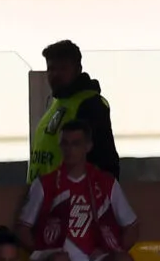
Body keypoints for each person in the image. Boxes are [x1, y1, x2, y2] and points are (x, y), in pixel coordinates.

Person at [17, 122, 137, 261]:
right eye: (65, 144)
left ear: (88, 146)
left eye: (76, 144)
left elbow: (132, 226)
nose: (69, 149)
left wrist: (114, 249)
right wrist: (42, 252)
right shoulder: (44, 184)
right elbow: (22, 229)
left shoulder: (106, 183)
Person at [29, 40, 118, 182]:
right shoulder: (57, 103)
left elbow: (105, 163)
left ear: (78, 69)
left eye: (63, 68)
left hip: (71, 199)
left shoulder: (90, 105)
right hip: (45, 197)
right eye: (51, 69)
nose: (55, 74)